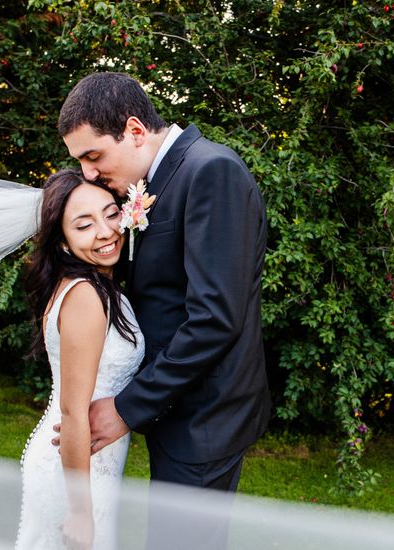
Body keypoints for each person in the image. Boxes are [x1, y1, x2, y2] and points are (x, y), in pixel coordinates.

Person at [56, 71, 272, 547]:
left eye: (93, 156)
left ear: (135, 131)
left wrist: (128, 408)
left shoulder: (210, 171)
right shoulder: (158, 181)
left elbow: (214, 319)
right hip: (177, 410)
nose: (89, 173)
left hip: (204, 418)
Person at [15, 169, 144, 550]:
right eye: (85, 225)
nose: (105, 231)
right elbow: (73, 412)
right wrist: (81, 510)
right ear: (64, 244)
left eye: (110, 214)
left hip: (92, 462)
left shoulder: (102, 286)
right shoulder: (85, 296)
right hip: (73, 472)